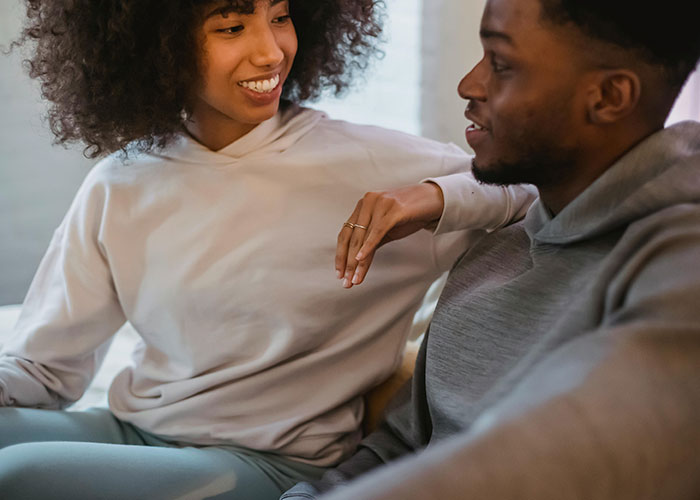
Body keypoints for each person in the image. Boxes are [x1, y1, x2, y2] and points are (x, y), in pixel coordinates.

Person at [0, 1, 536, 498]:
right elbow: (44, 370)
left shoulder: (375, 163)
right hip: (133, 431)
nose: (271, 51)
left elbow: (534, 187)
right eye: (232, 27)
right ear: (157, 44)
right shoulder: (119, 182)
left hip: (268, 462)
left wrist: (432, 196)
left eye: (280, 16)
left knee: (17, 476)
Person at [282, 0, 700, 498]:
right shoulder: (494, 252)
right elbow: (399, 446)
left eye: (500, 64)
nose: (469, 85)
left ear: (609, 97)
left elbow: (568, 463)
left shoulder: (680, 264)